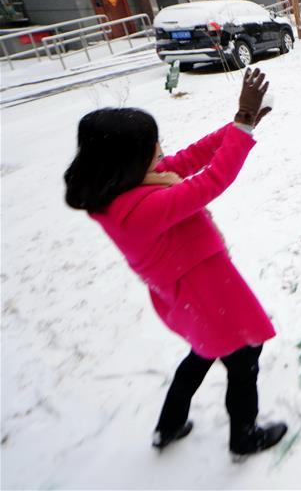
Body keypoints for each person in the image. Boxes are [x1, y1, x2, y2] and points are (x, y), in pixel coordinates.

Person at [63, 69, 287, 459]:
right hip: (205, 290)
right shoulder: (139, 208)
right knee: (244, 353)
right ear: (126, 159)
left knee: (203, 352)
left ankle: (168, 426)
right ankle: (244, 436)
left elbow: (193, 157)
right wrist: (244, 126)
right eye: (153, 145)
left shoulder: (129, 187)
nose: (162, 149)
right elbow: (211, 181)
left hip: (187, 292)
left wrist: (239, 124)